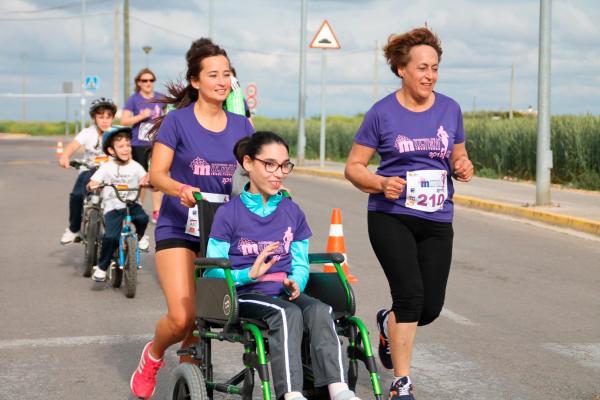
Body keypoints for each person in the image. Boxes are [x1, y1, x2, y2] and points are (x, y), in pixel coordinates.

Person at [344, 27, 474, 400]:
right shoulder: (381, 113)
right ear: (402, 69)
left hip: (437, 219)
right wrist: (380, 183)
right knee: (411, 297)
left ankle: (387, 323)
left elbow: (458, 155)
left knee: (429, 308)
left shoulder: (450, 108)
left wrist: (463, 166)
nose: (429, 75)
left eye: (434, 68)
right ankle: (402, 383)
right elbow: (354, 167)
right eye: (421, 68)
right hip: (391, 215)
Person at [129, 38, 254, 399]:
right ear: (195, 81)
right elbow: (157, 173)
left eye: (227, 74)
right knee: (183, 317)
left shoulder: (242, 126)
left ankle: (191, 380)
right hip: (178, 226)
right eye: (213, 74)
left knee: (205, 318)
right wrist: (178, 189)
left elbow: (253, 175)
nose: (221, 81)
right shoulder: (177, 122)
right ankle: (153, 355)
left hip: (222, 229)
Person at [204, 132, 361, 400]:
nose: (279, 173)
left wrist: (296, 283)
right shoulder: (229, 213)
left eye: (285, 165)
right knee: (286, 313)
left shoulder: (293, 212)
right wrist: (247, 274)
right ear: (248, 163)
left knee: (320, 310)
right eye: (270, 164)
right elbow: (212, 270)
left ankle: (338, 389)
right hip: (245, 293)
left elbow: (300, 261)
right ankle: (290, 393)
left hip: (285, 291)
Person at [87, 126, 150, 281]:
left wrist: (148, 182)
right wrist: (93, 185)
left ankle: (140, 238)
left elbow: (146, 179)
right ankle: (102, 267)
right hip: (113, 207)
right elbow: (94, 181)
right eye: (121, 146)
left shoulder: (136, 166)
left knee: (143, 218)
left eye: (128, 145)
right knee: (110, 238)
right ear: (111, 150)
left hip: (132, 204)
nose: (126, 149)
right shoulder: (107, 167)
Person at [58, 97, 116, 244]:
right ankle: (74, 230)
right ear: (93, 118)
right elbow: (72, 146)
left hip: (111, 171)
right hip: (89, 169)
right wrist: (65, 157)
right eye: (100, 116)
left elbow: (128, 149)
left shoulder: (116, 132)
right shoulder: (87, 132)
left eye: (108, 117)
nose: (104, 120)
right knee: (77, 195)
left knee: (122, 200)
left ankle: (127, 237)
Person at [120, 68, 165, 223]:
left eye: (151, 80)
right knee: (141, 177)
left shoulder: (160, 98)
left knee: (157, 176)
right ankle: (138, 208)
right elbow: (124, 120)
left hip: (157, 143)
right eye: (144, 80)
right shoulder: (134, 99)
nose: (148, 83)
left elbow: (172, 112)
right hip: (138, 144)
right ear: (138, 83)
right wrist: (141, 116)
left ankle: (157, 211)